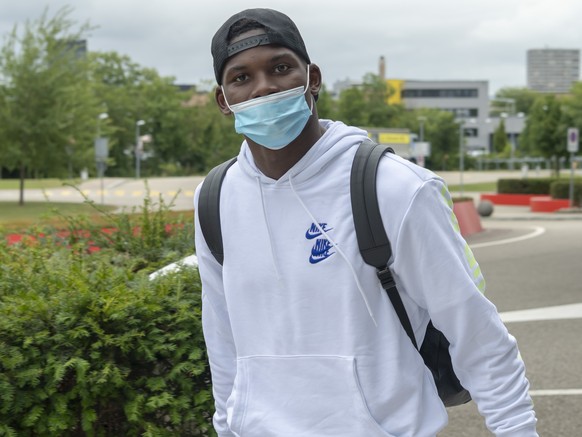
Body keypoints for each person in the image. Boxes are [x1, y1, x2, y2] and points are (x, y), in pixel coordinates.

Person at [194, 8, 538, 437]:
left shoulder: (394, 188)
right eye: (241, 77)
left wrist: (518, 430)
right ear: (224, 100)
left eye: (280, 67)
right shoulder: (215, 198)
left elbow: (477, 334)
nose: (264, 87)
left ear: (312, 78)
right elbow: (222, 336)